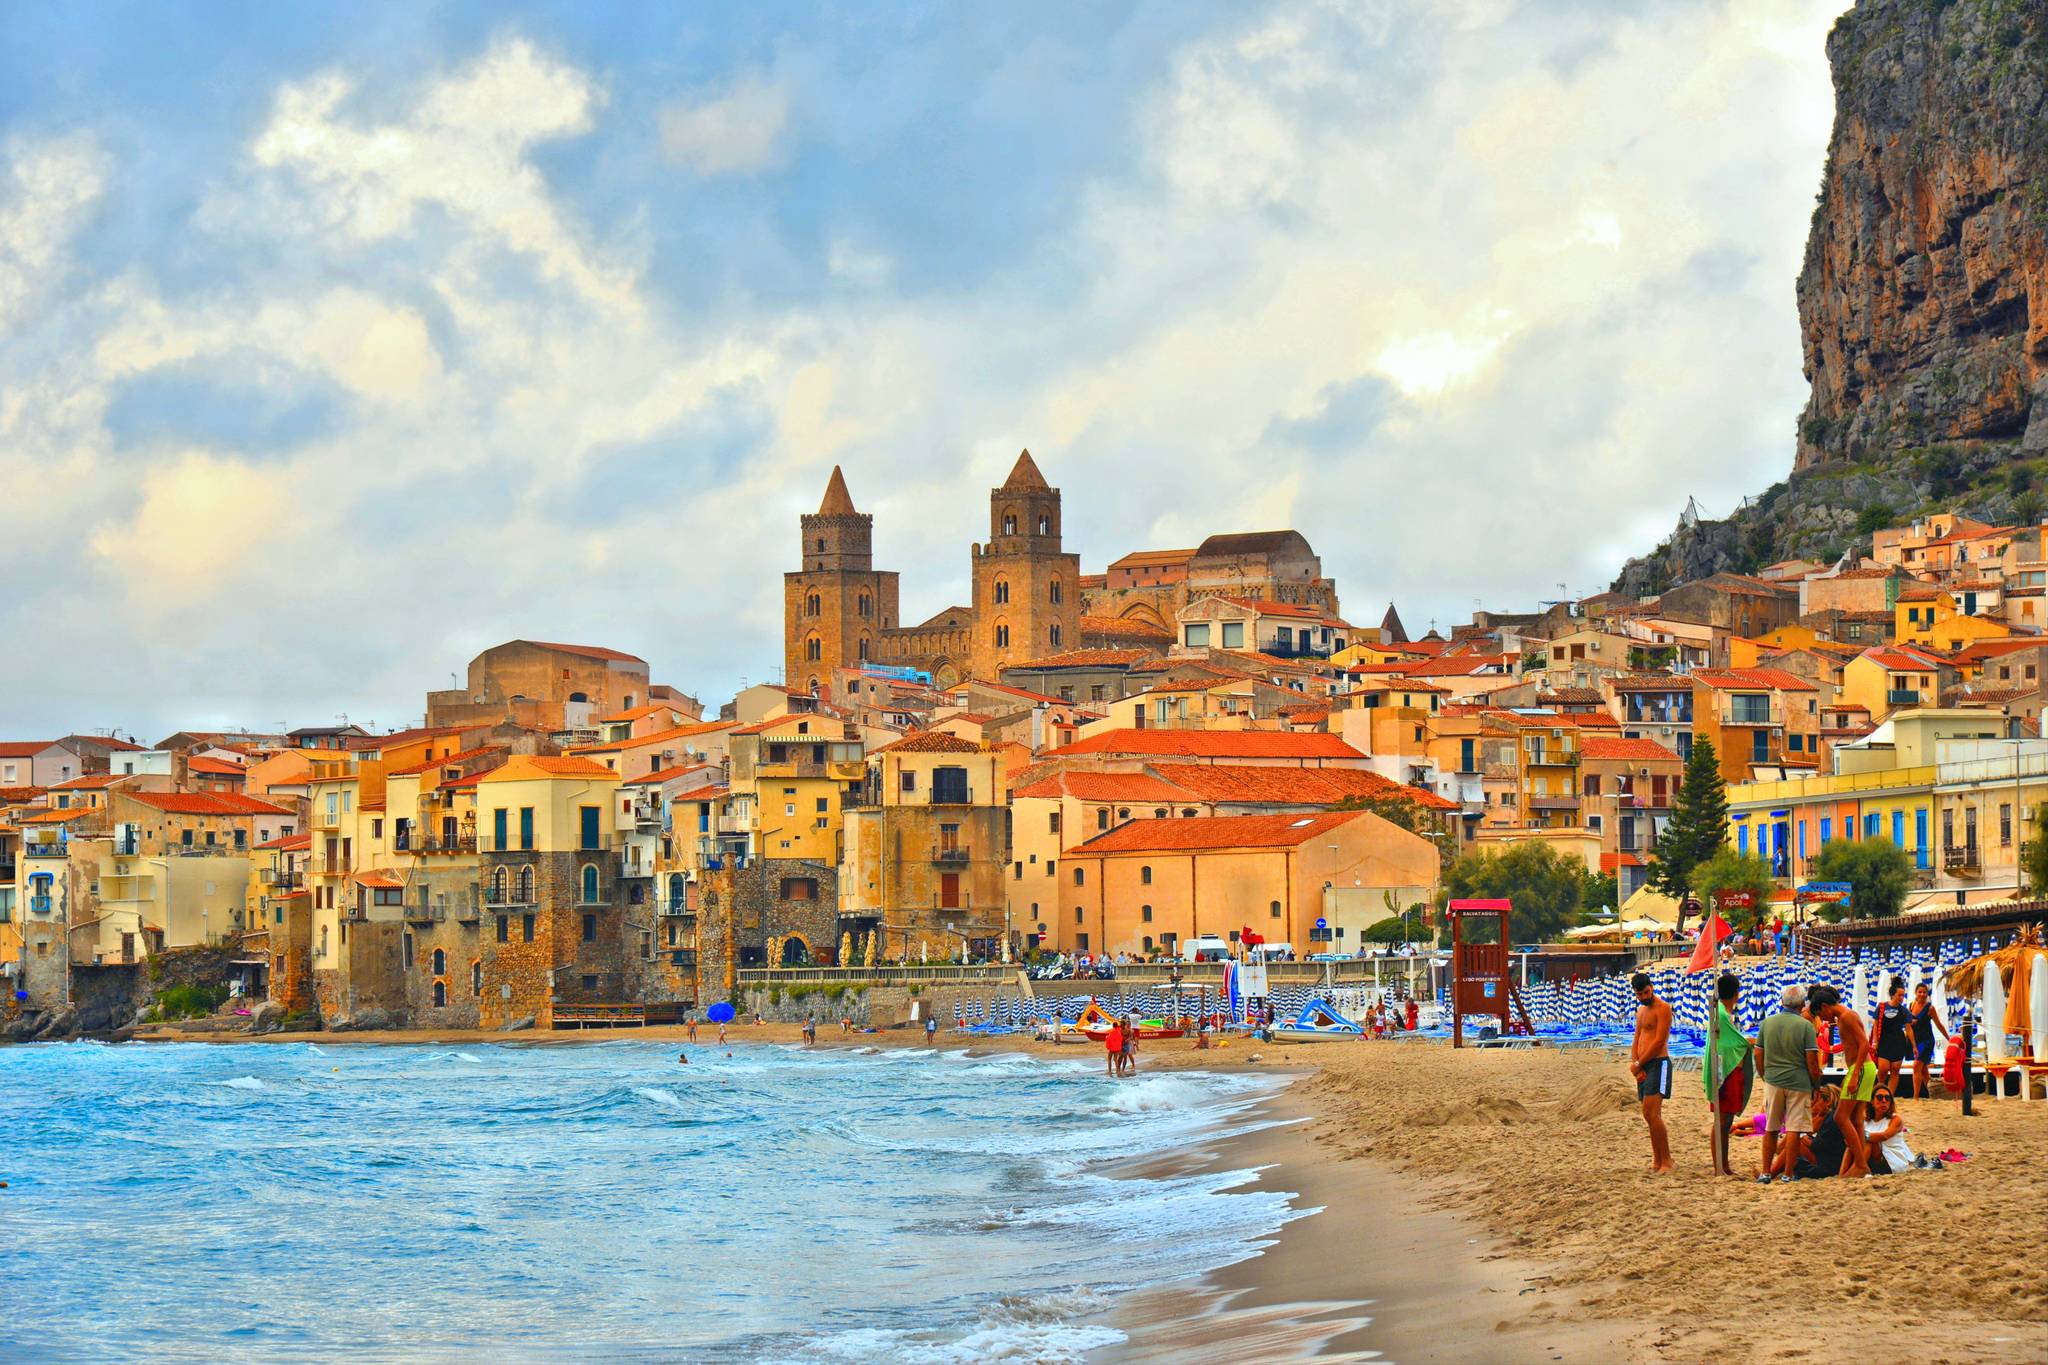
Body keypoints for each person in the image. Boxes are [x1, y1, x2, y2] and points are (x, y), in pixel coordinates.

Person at [1755, 984, 1820, 1184]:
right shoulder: (1806, 1026)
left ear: (1782, 1001)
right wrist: (1815, 1084)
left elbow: (1758, 1053)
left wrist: (1765, 1075)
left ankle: (1766, 1171)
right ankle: (1788, 1174)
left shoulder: (1767, 1023)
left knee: (1771, 1127)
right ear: (1802, 1004)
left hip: (1774, 1080)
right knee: (1794, 1129)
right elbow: (1811, 1061)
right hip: (1798, 1082)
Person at [1809, 984, 1872, 1177]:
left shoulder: (1846, 1016)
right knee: (1856, 1119)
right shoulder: (1844, 1017)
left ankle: (1861, 1164)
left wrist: (1853, 1075)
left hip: (1860, 1070)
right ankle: (1861, 1165)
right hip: (1863, 1069)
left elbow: (1864, 1045)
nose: (1823, 1019)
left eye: (1821, 1014)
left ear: (1825, 1007)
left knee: (1840, 1117)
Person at [1706, 972, 1754, 1177]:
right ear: (1736, 994)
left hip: (1727, 1070)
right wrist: (1750, 1042)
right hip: (1726, 1071)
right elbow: (1731, 1043)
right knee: (1723, 1120)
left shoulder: (1721, 1014)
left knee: (1725, 1121)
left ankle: (1723, 1165)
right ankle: (1720, 1165)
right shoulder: (1722, 1016)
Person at [1629, 972, 1674, 1174]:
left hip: (1658, 1063)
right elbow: (1637, 1038)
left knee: (1651, 1112)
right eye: (1639, 994)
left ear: (1652, 987)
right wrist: (1634, 1064)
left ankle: (1667, 1160)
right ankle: (1658, 1159)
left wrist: (1639, 1062)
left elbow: (1659, 1042)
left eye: (1646, 992)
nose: (1644, 997)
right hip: (1644, 1065)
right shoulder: (1641, 1011)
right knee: (1649, 1115)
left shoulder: (1663, 1008)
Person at [1861, 1087, 1938, 1173]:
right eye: (1879, 1097)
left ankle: (1859, 1168)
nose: (1884, 1101)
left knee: (1870, 1142)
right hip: (1874, 1161)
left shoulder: (1895, 1119)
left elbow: (1884, 1136)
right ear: (1871, 1101)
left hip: (1892, 1162)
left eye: (1887, 1098)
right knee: (1854, 1145)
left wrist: (1861, 1136)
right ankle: (1848, 1171)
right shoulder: (1866, 1121)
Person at [1791, 1085, 1845, 1179]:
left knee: (1795, 1144)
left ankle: (1772, 1172)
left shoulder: (1831, 1119)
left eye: (1818, 1100)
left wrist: (1804, 1137)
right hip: (1831, 1160)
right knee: (1794, 1143)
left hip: (1829, 1165)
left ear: (1827, 1101)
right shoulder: (1833, 1115)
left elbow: (1818, 1146)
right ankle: (1775, 1171)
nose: (1815, 1104)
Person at [1907, 981, 1949, 1101]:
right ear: (1915, 993)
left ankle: (1915, 1097)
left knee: (1916, 1067)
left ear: (1927, 994)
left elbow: (1939, 1025)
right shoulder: (1911, 1005)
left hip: (1926, 1041)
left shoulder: (1930, 1008)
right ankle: (1934, 1094)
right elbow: (1908, 1023)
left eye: (1924, 992)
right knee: (1924, 1071)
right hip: (1916, 1041)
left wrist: (1948, 1038)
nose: (1922, 994)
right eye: (1920, 992)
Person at [1871, 976, 1912, 1094]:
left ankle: (1889, 1096)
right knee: (1883, 1070)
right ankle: (1879, 1092)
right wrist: (1875, 1041)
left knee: (1895, 1071)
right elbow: (1875, 1025)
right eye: (1899, 995)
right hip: (1884, 1041)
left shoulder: (1904, 1011)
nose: (1901, 998)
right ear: (1893, 994)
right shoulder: (1882, 1007)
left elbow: (1909, 1029)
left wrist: (1913, 1046)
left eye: (1903, 995)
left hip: (1898, 1042)